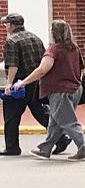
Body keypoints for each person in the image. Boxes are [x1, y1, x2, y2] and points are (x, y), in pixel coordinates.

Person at [2, 13, 70, 156]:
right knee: (40, 112)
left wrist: (9, 84)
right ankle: (61, 138)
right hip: (37, 82)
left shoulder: (11, 41)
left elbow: (13, 65)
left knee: (11, 115)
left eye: (6, 24)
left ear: (11, 25)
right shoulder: (35, 38)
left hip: (20, 83)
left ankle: (12, 146)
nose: (5, 26)